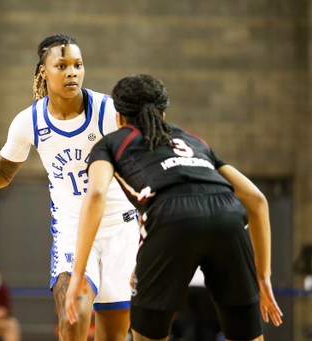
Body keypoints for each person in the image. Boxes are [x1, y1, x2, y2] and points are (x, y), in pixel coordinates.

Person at [0, 34, 139, 341]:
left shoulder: (109, 111)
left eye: (77, 65)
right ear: (43, 70)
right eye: (61, 65)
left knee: (114, 333)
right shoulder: (29, 122)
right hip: (71, 229)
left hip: (121, 226)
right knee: (71, 314)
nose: (72, 72)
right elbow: (0, 174)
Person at [65, 74, 283, 341]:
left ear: (119, 117)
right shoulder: (194, 142)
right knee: (246, 335)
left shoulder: (110, 144)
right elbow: (257, 199)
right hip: (228, 215)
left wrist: (78, 272)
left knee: (148, 335)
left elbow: (97, 193)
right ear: (164, 113)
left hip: (171, 217)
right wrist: (263, 278)